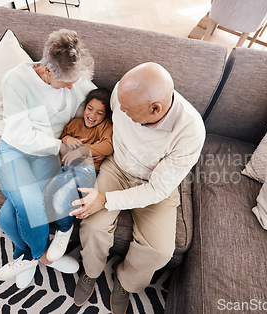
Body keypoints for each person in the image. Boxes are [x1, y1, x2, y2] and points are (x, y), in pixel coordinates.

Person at [70, 62, 206, 313]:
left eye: (128, 109)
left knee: (160, 250)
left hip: (155, 184)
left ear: (155, 109)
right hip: (117, 168)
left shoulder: (191, 131)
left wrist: (106, 199)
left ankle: (125, 282)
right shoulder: (122, 94)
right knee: (92, 225)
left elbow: (157, 190)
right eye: (120, 103)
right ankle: (91, 271)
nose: (120, 110)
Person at [0, 28, 96, 289]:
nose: (72, 87)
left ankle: (24, 256)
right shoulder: (15, 80)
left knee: (6, 217)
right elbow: (20, 134)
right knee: (31, 205)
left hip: (46, 156)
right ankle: (39, 257)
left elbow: (101, 98)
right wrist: (60, 146)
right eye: (67, 83)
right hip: (13, 150)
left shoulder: (73, 77)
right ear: (48, 70)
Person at [43, 88, 113, 263]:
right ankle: (40, 245)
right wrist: (67, 140)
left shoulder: (106, 127)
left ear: (105, 115)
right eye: (90, 108)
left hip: (86, 170)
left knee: (60, 199)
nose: (92, 115)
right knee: (47, 194)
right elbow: (64, 137)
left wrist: (84, 150)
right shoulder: (74, 124)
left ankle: (64, 229)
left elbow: (108, 146)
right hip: (65, 169)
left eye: (99, 113)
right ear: (85, 107)